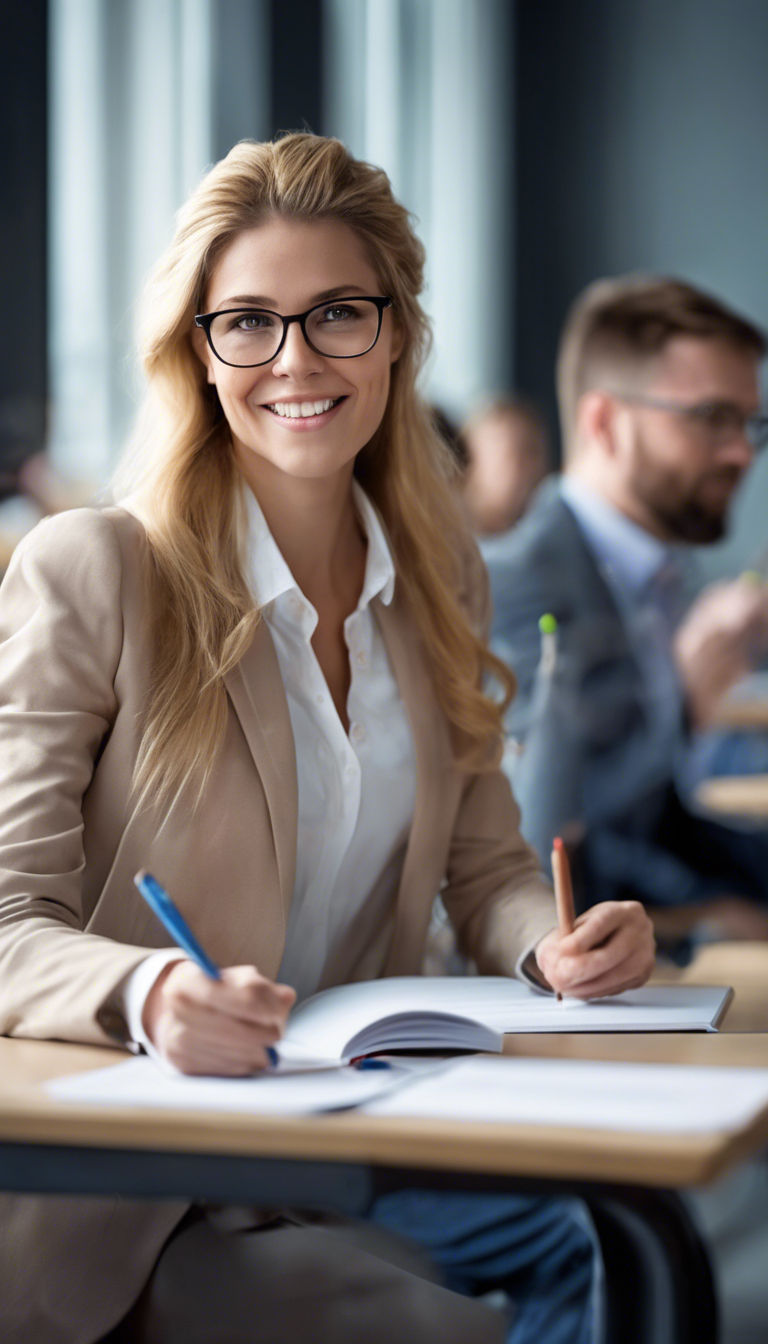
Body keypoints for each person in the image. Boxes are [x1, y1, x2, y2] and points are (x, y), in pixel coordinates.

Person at [0, 135, 654, 1344]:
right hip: (147, 1193)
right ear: (197, 354)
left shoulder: (442, 573)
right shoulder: (96, 572)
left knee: (620, 1258)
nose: (294, 359)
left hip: (351, 1142)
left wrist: (552, 946)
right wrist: (148, 991)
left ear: (396, 331)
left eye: (337, 314)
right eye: (246, 321)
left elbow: (486, 868)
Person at [486, 273, 768, 951]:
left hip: (669, 870)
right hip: (594, 932)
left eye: (750, 423)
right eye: (712, 419)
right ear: (604, 422)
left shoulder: (661, 569)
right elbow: (548, 834)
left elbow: (655, 809)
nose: (741, 452)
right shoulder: (519, 581)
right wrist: (686, 700)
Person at [460, 395, 551, 537]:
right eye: (509, 453)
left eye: (532, 452)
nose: (523, 467)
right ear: (470, 458)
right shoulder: (446, 537)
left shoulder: (553, 535)